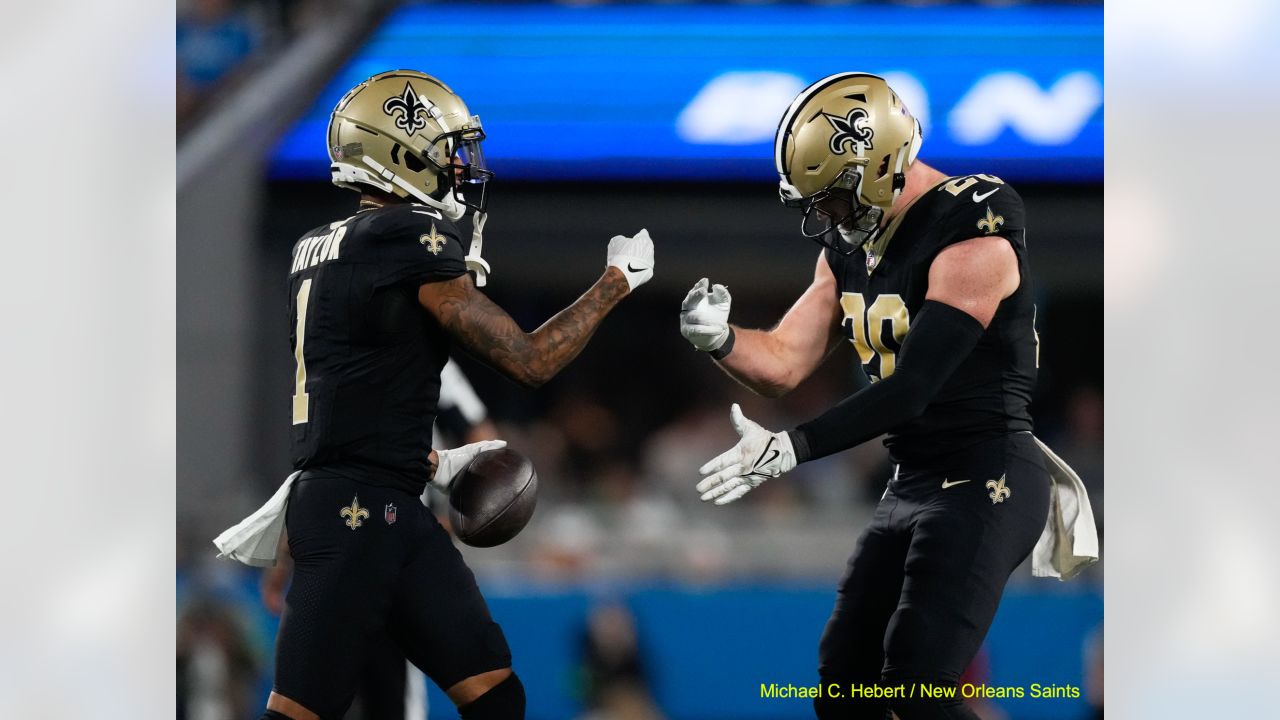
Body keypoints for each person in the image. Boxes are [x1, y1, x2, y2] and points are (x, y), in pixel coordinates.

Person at [227, 69, 654, 720]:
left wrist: (421, 456)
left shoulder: (314, 246)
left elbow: (354, 384)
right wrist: (616, 283)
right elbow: (530, 361)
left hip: (381, 502)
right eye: (447, 150)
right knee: (303, 712)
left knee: (495, 695)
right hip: (357, 515)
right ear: (399, 151)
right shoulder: (405, 239)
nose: (461, 166)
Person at [679, 72, 1051, 719]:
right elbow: (787, 360)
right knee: (845, 687)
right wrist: (721, 339)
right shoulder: (851, 246)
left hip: (987, 473)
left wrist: (794, 447)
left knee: (915, 687)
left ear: (879, 165)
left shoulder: (974, 224)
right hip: (912, 482)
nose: (825, 216)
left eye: (834, 198)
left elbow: (912, 389)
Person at [259, 359, 500, 720]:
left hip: (383, 546)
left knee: (381, 692)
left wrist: (451, 519)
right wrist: (285, 549)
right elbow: (315, 466)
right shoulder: (331, 355)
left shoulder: (419, 356)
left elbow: (487, 448)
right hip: (342, 548)